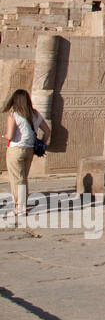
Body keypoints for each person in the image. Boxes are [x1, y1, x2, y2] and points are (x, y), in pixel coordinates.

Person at [4, 89, 49, 221]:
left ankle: (19, 208)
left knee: (17, 179)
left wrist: (3, 135)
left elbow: (10, 136)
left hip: (16, 149)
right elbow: (47, 131)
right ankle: (21, 206)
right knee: (23, 178)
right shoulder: (35, 114)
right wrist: (41, 144)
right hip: (29, 150)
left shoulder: (14, 115)